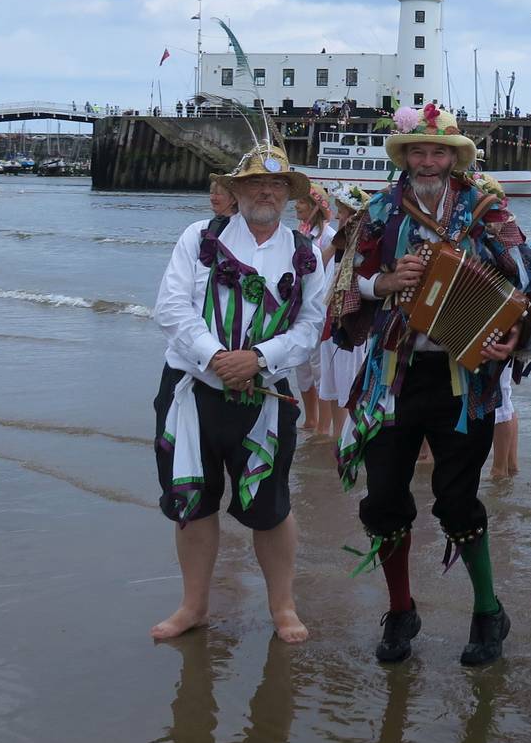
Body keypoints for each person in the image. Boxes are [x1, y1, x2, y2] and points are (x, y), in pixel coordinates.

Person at [330, 103, 531, 666]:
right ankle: (401, 610)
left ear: (453, 159)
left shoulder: (488, 211)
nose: (427, 161)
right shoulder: (377, 212)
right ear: (405, 157)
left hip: (462, 381)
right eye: (418, 152)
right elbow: (344, 280)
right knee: (383, 500)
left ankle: (488, 611)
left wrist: (515, 333)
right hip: (391, 377)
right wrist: (382, 284)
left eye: (438, 152)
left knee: (456, 501)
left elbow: (530, 278)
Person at [150, 141, 325, 644]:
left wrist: (259, 359)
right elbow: (171, 307)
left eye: (275, 184)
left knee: (271, 507)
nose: (265, 191)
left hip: (266, 398)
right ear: (237, 191)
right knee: (193, 502)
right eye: (254, 183)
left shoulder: (306, 253)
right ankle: (193, 606)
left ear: (288, 194)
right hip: (191, 392)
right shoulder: (198, 237)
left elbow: (312, 326)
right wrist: (217, 358)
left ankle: (283, 607)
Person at [317, 184, 372, 437]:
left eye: (342, 213)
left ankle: (351, 438)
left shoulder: (364, 247)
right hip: (331, 317)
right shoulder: (338, 244)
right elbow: (319, 266)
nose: (339, 217)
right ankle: (336, 437)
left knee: (350, 383)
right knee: (331, 384)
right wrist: (337, 241)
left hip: (352, 323)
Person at [292, 185, 335, 431]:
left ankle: (323, 426)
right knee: (302, 365)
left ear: (314, 206)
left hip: (319, 307)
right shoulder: (300, 233)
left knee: (319, 367)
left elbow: (329, 272)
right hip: (299, 306)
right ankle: (310, 419)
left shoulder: (329, 236)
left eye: (301, 202)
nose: (296, 205)